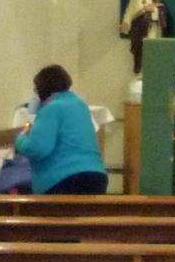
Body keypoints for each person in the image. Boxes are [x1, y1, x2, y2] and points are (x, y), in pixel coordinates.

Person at [14, 64, 109, 195]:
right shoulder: (80, 105)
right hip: (96, 176)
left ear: (43, 88)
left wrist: (20, 140)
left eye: (36, 89)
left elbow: (38, 149)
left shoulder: (51, 108)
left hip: (65, 180)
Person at [121, 0, 168, 75]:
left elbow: (161, 9)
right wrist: (125, 24)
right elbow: (130, 12)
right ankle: (139, 70)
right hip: (140, 28)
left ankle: (151, 70)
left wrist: (154, 9)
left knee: (151, 49)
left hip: (152, 28)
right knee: (139, 50)